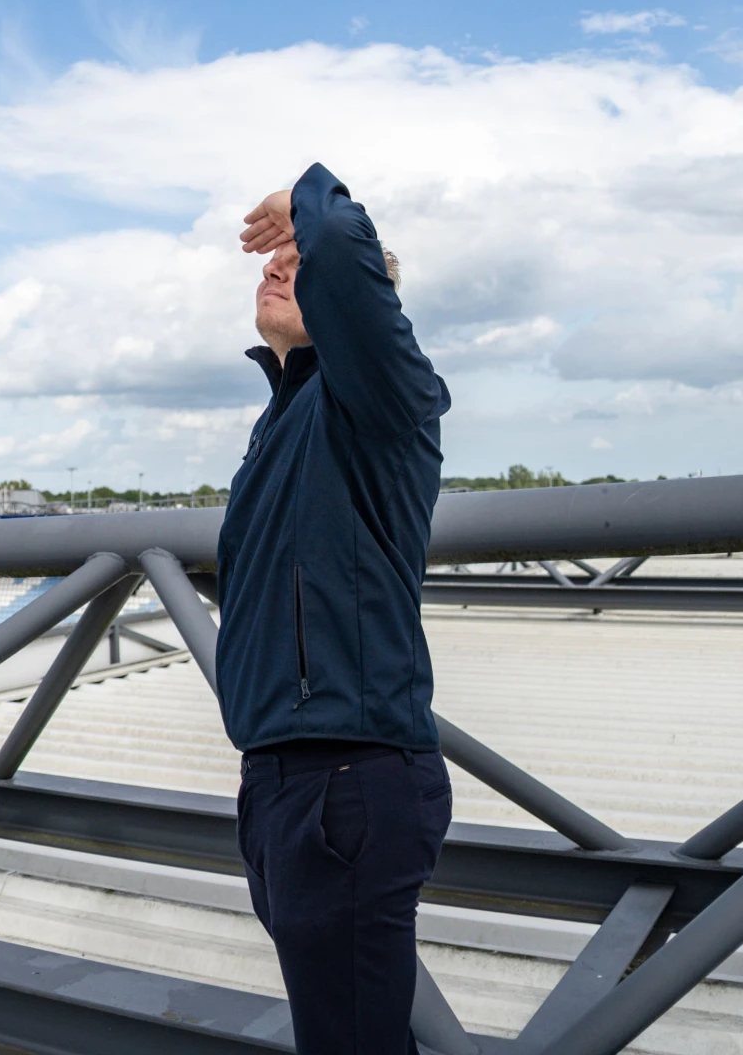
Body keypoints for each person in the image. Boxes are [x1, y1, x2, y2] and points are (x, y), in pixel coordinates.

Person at [215, 162, 452, 1055]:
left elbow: (348, 253)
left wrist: (309, 204)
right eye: (270, 265)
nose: (277, 269)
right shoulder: (284, 420)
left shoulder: (386, 395)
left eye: (297, 266)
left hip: (346, 781)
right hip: (284, 782)